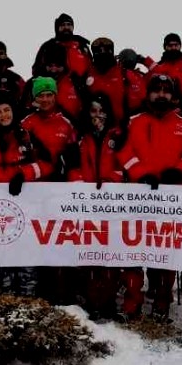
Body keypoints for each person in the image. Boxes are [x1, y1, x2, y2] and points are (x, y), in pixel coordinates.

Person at [117, 75, 182, 323]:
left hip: (170, 200)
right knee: (133, 253)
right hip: (138, 198)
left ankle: (162, 302)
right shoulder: (133, 121)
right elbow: (122, 150)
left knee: (165, 253)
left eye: (166, 91)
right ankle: (132, 304)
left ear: (173, 95)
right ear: (148, 93)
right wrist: (140, 173)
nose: (161, 95)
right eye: (156, 90)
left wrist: (181, 169)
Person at [0, 89, 53, 297]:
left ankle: (28, 302)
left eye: (7, 110)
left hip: (27, 208)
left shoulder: (26, 136)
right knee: (1, 257)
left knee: (26, 257)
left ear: (13, 111)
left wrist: (23, 174)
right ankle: (5, 301)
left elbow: (48, 164)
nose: (3, 115)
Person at [66, 93, 131, 321]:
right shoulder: (78, 137)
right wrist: (80, 186)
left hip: (112, 202)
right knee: (89, 253)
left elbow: (126, 164)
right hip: (85, 202)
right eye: (93, 110)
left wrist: (111, 180)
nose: (98, 115)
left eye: (102, 110)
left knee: (111, 253)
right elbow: (72, 166)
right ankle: (92, 300)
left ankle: (110, 300)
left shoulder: (118, 135)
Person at [147, 33, 182, 136]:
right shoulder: (158, 67)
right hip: (164, 110)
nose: (173, 48)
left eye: (176, 45)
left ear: (180, 46)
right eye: (170, 45)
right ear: (165, 47)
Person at [25, 43, 87, 125]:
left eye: (58, 65)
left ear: (65, 64)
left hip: (71, 132)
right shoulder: (33, 83)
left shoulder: (75, 81)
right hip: (39, 131)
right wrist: (33, 108)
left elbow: (86, 109)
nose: (53, 70)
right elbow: (23, 112)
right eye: (50, 66)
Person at [84, 37, 135, 126]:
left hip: (120, 129)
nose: (102, 54)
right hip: (94, 129)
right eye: (98, 52)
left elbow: (139, 103)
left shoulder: (126, 75)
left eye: (107, 51)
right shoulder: (86, 75)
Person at [34, 13, 91, 80]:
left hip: (82, 86)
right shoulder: (48, 46)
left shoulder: (82, 45)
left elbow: (91, 66)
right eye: (63, 25)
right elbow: (36, 69)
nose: (66, 27)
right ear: (57, 28)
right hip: (55, 86)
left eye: (69, 24)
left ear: (73, 27)